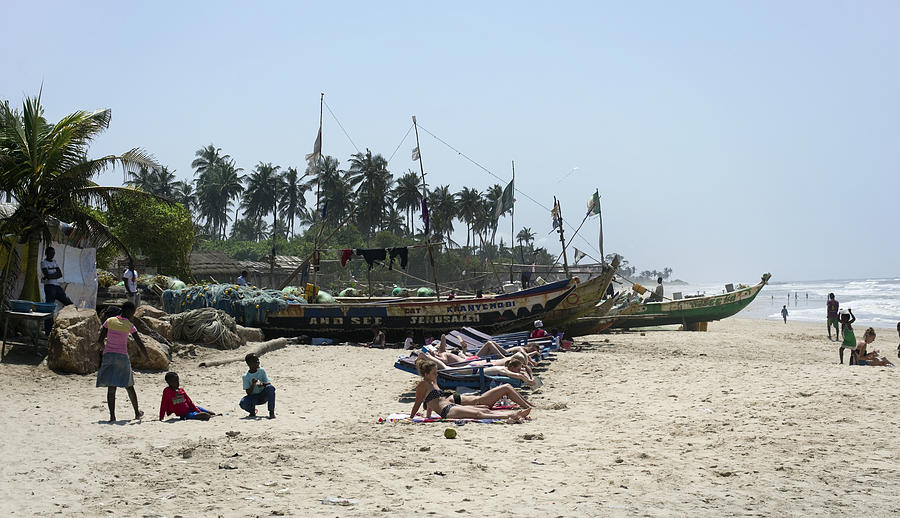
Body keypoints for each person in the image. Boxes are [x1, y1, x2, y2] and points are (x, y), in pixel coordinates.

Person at [410, 357, 531, 421]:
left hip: (451, 406)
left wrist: (428, 416)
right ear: (426, 374)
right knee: (478, 414)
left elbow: (431, 402)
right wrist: (411, 417)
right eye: (434, 373)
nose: (436, 374)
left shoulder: (433, 382)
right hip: (447, 412)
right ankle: (512, 415)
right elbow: (418, 402)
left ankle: (513, 414)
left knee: (485, 410)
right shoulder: (423, 385)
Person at [96, 301, 147, 422]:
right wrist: (146, 356)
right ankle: (136, 413)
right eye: (133, 313)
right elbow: (139, 342)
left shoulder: (109, 321)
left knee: (111, 388)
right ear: (129, 312)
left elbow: (100, 340)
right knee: (129, 386)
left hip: (109, 356)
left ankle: (112, 416)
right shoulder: (129, 325)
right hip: (122, 357)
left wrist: (106, 350)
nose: (133, 315)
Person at [40, 246, 73, 333]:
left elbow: (60, 274)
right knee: (49, 308)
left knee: (68, 302)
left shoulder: (54, 262)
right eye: (51, 253)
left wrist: (51, 275)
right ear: (47, 253)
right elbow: (47, 275)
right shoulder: (43, 263)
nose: (52, 255)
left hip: (56, 286)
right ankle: (48, 330)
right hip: (49, 286)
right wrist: (53, 275)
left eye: (53, 253)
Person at [240, 353, 276, 418]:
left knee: (271, 388)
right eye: (256, 362)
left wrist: (262, 384)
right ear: (250, 364)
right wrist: (253, 384)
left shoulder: (262, 371)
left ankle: (271, 411)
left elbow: (268, 384)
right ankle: (252, 411)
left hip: (263, 395)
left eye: (258, 361)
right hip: (254, 398)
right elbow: (248, 392)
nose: (258, 363)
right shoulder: (245, 377)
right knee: (243, 403)